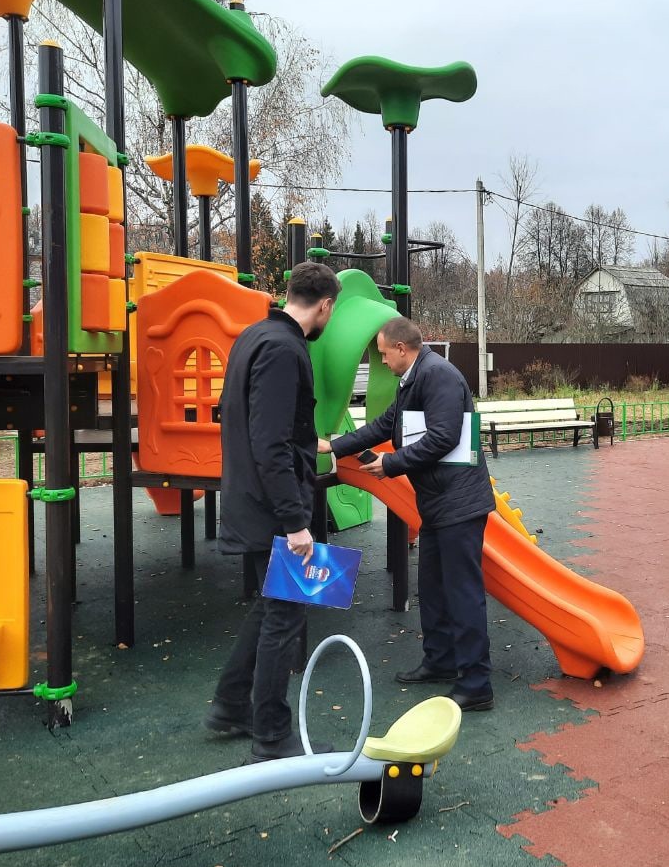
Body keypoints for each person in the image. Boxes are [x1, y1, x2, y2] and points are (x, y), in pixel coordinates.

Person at [320, 316, 497, 712]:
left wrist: (392, 464)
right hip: (437, 502)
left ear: (402, 349)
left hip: (458, 504)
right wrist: (335, 446)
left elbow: (444, 436)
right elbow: (388, 423)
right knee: (432, 587)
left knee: (463, 593)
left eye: (384, 354)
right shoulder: (414, 378)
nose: (382, 361)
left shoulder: (439, 377)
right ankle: (441, 659)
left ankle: (476, 682)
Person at [203, 261, 340, 763]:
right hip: (272, 508)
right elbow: (271, 443)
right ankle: (271, 734)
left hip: (248, 497)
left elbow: (262, 426)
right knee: (286, 614)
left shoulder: (253, 336)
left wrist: (312, 442)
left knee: (269, 606)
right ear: (325, 305)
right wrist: (297, 522)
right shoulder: (285, 350)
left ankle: (231, 705)